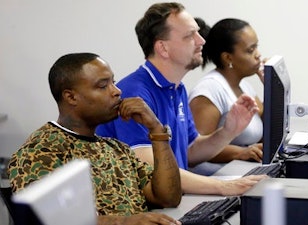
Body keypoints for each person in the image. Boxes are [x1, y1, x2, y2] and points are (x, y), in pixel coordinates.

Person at [96, 2, 266, 195]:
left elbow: (190, 151)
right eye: (190, 35)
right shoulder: (134, 93)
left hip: (175, 201)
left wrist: (229, 131)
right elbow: (151, 168)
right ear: (163, 48)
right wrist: (223, 186)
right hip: (149, 212)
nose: (201, 40)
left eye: (198, 33)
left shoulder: (177, 88)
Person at [8, 53, 182, 225]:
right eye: (102, 86)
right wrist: (124, 222)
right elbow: (46, 219)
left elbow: (168, 198)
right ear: (71, 97)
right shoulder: (40, 151)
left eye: (113, 82)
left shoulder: (116, 149)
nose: (117, 91)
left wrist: (157, 130)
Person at [188, 18, 266, 173]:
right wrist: (240, 153)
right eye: (250, 50)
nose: (258, 55)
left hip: (241, 172)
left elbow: (267, 130)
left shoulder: (243, 85)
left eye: (256, 47)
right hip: (213, 179)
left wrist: (271, 85)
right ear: (228, 58)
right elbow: (195, 150)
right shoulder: (210, 90)